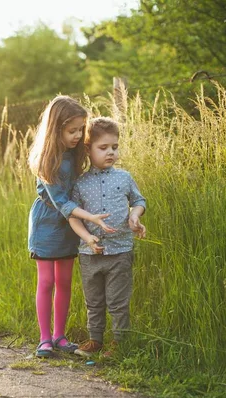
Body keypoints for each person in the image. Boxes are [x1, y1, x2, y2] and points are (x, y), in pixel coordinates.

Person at [27, 95, 115, 358]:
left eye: (80, 129)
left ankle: (59, 336)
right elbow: (62, 202)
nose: (78, 135)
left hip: (70, 226)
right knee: (47, 281)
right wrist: (91, 217)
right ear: (56, 129)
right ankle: (44, 338)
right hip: (47, 225)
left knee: (65, 280)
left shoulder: (73, 155)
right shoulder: (47, 161)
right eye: (72, 130)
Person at [69, 116, 147, 357]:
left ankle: (119, 342)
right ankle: (95, 340)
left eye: (114, 146)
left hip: (120, 251)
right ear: (88, 149)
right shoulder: (80, 184)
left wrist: (135, 217)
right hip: (90, 252)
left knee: (118, 300)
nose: (110, 152)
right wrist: (87, 238)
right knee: (93, 301)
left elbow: (139, 200)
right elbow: (73, 216)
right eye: (103, 148)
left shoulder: (124, 177)